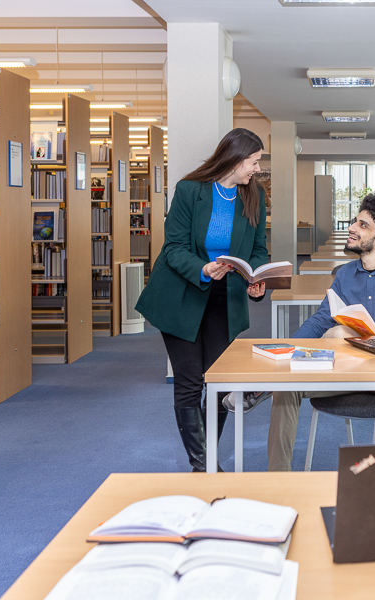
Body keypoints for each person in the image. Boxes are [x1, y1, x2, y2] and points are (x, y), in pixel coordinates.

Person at [135, 127, 267, 472]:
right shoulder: (190, 190)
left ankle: (206, 461)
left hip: (226, 297)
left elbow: (257, 248)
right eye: (254, 161)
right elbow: (174, 248)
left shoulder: (254, 196)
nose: (257, 169)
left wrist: (256, 279)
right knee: (190, 380)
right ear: (235, 159)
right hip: (183, 292)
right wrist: (204, 268)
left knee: (219, 380)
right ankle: (203, 466)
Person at [267, 192, 375, 471]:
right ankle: (277, 477)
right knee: (287, 385)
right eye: (355, 221)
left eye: (363, 225)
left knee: (338, 332)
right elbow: (321, 318)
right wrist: (287, 347)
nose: (352, 228)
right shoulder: (344, 275)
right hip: (349, 372)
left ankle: (254, 394)